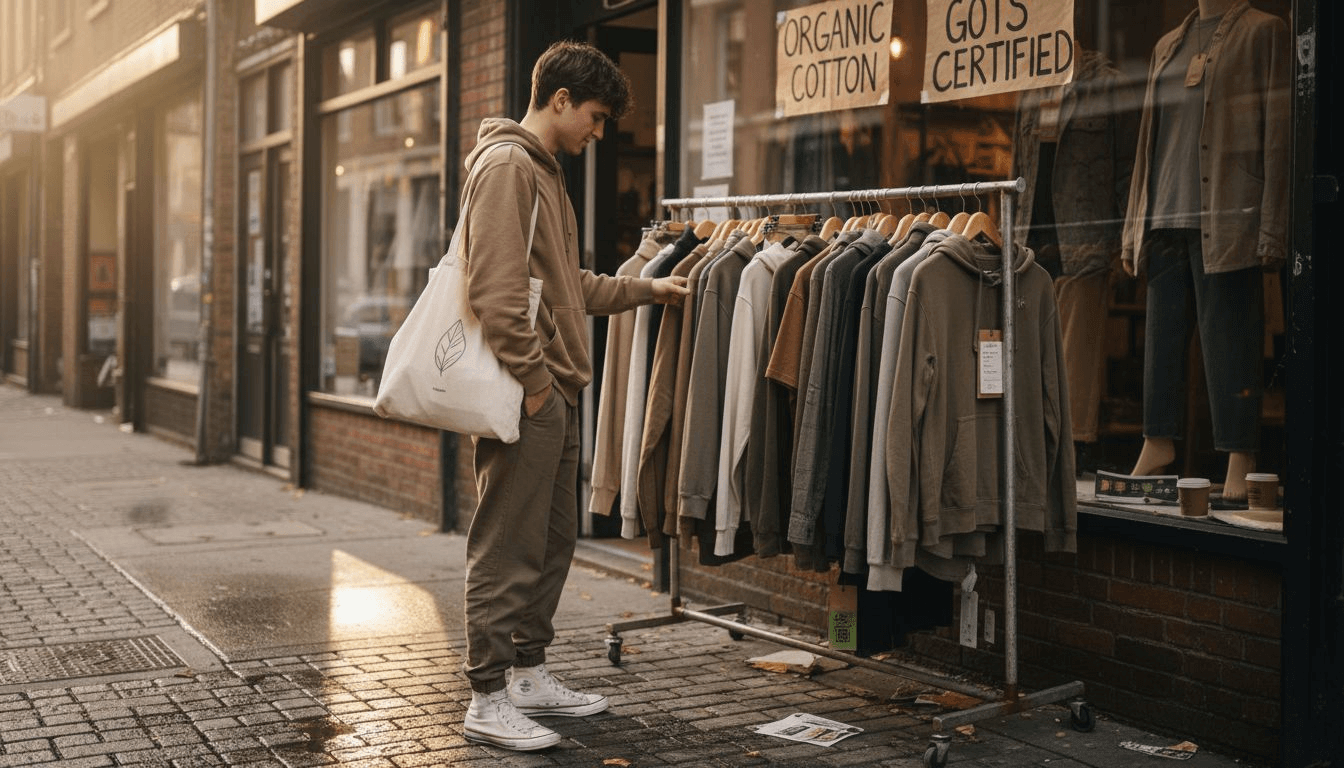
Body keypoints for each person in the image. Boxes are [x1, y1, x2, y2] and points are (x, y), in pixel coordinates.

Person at [458, 41, 689, 752]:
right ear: (558, 99)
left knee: (552, 542)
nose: (598, 132)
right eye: (593, 117)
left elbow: (568, 287)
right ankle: (487, 695)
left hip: (553, 388)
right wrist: (534, 388)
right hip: (530, 391)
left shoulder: (543, 174)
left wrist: (647, 287)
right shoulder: (506, 168)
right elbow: (494, 294)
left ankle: (528, 674)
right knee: (508, 546)